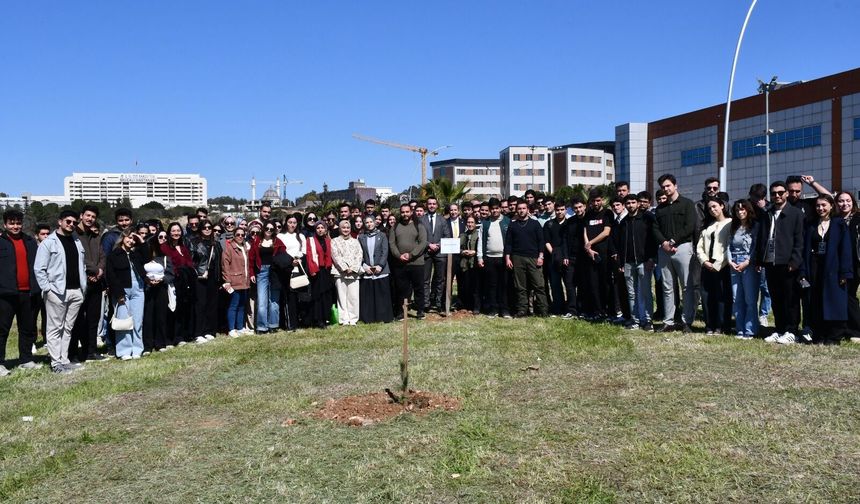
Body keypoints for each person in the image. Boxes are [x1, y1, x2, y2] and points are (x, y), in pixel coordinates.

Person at [34, 210, 88, 374]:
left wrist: (82, 288)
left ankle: (64, 360)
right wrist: (47, 289)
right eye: (68, 221)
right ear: (60, 222)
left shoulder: (76, 241)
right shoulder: (48, 242)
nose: (71, 224)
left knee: (68, 328)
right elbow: (39, 269)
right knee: (54, 328)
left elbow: (82, 265)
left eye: (73, 222)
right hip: (56, 292)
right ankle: (56, 363)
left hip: (76, 291)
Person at [799, 194, 854, 344]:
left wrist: (845, 272)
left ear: (831, 206)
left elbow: (846, 249)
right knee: (816, 300)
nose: (820, 208)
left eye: (824, 205)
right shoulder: (810, 224)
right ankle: (819, 334)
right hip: (815, 267)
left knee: (834, 301)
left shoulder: (839, 224)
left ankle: (834, 336)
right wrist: (803, 271)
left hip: (834, 268)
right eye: (818, 205)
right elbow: (805, 250)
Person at [755, 180, 805, 344]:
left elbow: (799, 239)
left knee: (790, 298)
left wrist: (795, 260)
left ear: (786, 194)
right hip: (770, 262)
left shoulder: (796, 213)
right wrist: (759, 259)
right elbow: (762, 237)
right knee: (776, 298)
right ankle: (780, 329)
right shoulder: (767, 212)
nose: (777, 195)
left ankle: (791, 331)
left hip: (788, 263)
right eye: (774, 193)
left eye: (780, 192)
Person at [653, 174, 697, 332]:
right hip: (664, 251)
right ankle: (669, 321)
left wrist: (672, 241)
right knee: (667, 287)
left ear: (675, 185)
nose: (666, 189)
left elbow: (690, 226)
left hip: (683, 248)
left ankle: (687, 321)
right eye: (663, 187)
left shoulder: (687, 204)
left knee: (686, 286)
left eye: (668, 186)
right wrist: (664, 243)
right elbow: (655, 229)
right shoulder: (659, 209)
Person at [0, 209, 42, 375]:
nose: (15, 226)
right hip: (6, 294)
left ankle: (26, 359)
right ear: (5, 224)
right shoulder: (1, 242)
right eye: (12, 223)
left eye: (18, 222)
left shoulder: (30, 241)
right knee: (2, 330)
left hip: (29, 292)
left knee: (27, 328)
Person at [613, 194, 656, 331]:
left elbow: (652, 240)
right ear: (625, 205)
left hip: (644, 261)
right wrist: (620, 263)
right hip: (628, 263)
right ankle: (635, 319)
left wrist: (651, 258)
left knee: (645, 292)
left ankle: (648, 320)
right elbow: (619, 245)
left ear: (638, 203)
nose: (631, 205)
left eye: (633, 202)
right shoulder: (623, 222)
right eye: (628, 203)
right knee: (631, 293)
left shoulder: (646, 218)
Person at [70, 205, 107, 363]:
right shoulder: (73, 234)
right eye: (88, 215)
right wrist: (94, 270)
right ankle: (73, 352)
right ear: (81, 215)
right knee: (77, 319)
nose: (90, 219)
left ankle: (91, 351)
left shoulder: (95, 235)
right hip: (80, 282)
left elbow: (102, 256)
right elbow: (79, 257)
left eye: (93, 217)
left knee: (93, 318)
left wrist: (99, 271)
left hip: (96, 282)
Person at [105, 228, 147, 359]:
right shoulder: (114, 255)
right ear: (122, 238)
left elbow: (147, 256)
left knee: (137, 321)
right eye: (129, 237)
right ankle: (124, 351)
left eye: (133, 239)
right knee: (124, 321)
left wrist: (141, 239)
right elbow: (111, 275)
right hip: (122, 291)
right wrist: (119, 294)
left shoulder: (135, 254)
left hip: (138, 289)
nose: (131, 240)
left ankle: (137, 349)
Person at [504, 200, 548, 317]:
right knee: (520, 286)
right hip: (517, 258)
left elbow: (541, 241)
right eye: (519, 209)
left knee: (539, 285)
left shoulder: (535, 223)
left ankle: (543, 310)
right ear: (517, 210)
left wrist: (541, 256)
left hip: (534, 258)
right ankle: (522, 310)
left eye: (524, 208)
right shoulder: (512, 225)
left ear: (527, 210)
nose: (521, 210)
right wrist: (508, 258)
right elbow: (508, 243)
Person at [696, 197, 732, 335]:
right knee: (706, 296)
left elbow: (729, 246)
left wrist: (718, 264)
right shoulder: (707, 226)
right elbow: (699, 247)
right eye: (710, 208)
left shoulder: (730, 223)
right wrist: (705, 261)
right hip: (707, 264)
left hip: (722, 265)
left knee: (722, 297)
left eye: (715, 206)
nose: (712, 210)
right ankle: (710, 325)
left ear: (722, 206)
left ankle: (722, 326)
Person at [389, 203, 428, 319]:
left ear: (411, 212)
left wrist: (411, 255)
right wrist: (398, 255)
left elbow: (422, 243)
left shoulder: (419, 225)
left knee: (419, 288)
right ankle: (401, 312)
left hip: (416, 263)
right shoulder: (395, 227)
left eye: (407, 212)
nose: (405, 214)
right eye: (403, 212)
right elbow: (392, 243)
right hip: (400, 263)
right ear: (400, 213)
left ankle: (420, 311)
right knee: (401, 289)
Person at [728, 199, 760, 339]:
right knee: (737, 298)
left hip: (749, 265)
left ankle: (750, 329)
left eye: (743, 209)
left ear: (748, 210)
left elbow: (756, 247)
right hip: (734, 264)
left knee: (750, 298)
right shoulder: (733, 227)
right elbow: (728, 245)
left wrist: (748, 261)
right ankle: (739, 329)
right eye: (737, 210)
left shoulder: (755, 226)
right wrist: (729, 260)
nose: (740, 212)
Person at [581, 189, 613, 320]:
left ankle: (607, 311)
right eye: (593, 201)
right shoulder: (587, 215)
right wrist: (588, 248)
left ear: (602, 200)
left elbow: (606, 232)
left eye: (598, 200)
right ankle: (597, 311)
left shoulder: (607, 213)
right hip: (590, 255)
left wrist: (591, 243)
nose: (596, 203)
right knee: (593, 284)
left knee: (604, 283)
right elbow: (585, 232)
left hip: (604, 253)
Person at [162, 222, 196, 344]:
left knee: (184, 309)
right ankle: (173, 337)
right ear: (169, 233)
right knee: (173, 310)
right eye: (173, 231)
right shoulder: (165, 247)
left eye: (178, 231)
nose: (176, 233)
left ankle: (184, 335)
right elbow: (168, 265)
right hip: (173, 282)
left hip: (185, 282)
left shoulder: (183, 247)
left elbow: (190, 263)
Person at [477, 198, 510, 318]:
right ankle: (493, 309)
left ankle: (505, 310)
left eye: (497, 208)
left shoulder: (507, 221)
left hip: (503, 258)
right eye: (493, 209)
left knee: (504, 285)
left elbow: (511, 241)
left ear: (500, 208)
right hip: (489, 258)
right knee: (492, 285)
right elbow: (481, 241)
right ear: (490, 210)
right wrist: (480, 257)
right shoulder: (485, 223)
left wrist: (509, 256)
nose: (495, 211)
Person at [358, 215, 394, 323]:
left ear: (375, 223)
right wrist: (364, 266)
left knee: (381, 296)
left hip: (381, 271)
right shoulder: (361, 237)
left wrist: (380, 265)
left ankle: (383, 317)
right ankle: (369, 318)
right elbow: (360, 254)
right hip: (368, 271)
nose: (369, 224)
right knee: (369, 297)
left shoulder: (382, 235)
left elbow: (385, 251)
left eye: (371, 222)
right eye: (367, 222)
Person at [191, 219, 221, 342]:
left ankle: (210, 330)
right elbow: (192, 260)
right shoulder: (194, 242)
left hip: (213, 276)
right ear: (200, 229)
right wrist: (198, 272)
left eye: (210, 227)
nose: (207, 229)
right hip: (200, 277)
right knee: (200, 304)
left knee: (212, 304)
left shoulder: (216, 243)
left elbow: (219, 262)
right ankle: (199, 332)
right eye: (205, 227)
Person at [143, 233, 174, 352]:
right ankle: (147, 345)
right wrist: (148, 281)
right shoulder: (143, 259)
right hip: (147, 289)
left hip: (161, 289)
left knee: (161, 316)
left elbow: (171, 274)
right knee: (148, 317)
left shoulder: (165, 258)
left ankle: (160, 343)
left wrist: (161, 279)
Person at [249, 222, 281, 333]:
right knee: (262, 301)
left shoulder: (277, 241)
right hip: (261, 271)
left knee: (274, 300)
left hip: (274, 272)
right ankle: (262, 326)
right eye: (267, 228)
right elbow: (251, 258)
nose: (269, 230)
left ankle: (273, 325)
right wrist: (252, 273)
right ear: (263, 229)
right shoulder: (257, 241)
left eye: (271, 229)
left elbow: (283, 254)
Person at [222, 227, 254, 338]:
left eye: (242, 235)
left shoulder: (245, 246)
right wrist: (227, 281)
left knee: (242, 305)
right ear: (234, 235)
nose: (240, 236)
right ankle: (231, 329)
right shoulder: (229, 248)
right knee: (233, 305)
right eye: (238, 234)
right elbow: (225, 265)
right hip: (234, 281)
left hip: (244, 281)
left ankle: (240, 328)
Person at [422, 196, 452, 312]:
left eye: (434, 203)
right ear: (426, 205)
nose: (432, 205)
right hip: (427, 252)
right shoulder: (421, 219)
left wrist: (438, 245)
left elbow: (447, 235)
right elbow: (419, 237)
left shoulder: (442, 220)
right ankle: (426, 303)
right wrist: (429, 245)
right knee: (425, 279)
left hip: (440, 253)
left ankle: (438, 303)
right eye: (430, 203)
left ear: (437, 205)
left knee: (440, 279)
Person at [276, 214, 305, 330]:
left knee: (298, 296)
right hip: (286, 269)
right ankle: (289, 324)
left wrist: (298, 258)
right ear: (286, 223)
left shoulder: (301, 236)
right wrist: (290, 261)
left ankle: (298, 321)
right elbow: (280, 252)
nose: (292, 224)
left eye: (294, 222)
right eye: (290, 222)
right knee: (288, 297)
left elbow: (303, 250)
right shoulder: (280, 236)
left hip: (299, 267)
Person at [331, 220, 363, 325]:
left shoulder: (355, 241)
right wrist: (344, 268)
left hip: (354, 273)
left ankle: (353, 319)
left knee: (353, 297)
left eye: (348, 228)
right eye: (343, 228)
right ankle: (344, 319)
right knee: (342, 296)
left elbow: (359, 255)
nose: (346, 230)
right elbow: (335, 256)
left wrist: (353, 268)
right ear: (339, 229)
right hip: (340, 273)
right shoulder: (334, 241)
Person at [306, 221, 334, 328]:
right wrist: (312, 270)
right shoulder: (311, 240)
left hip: (326, 271)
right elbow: (309, 255)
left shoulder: (328, 240)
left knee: (326, 295)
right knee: (317, 296)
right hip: (316, 271)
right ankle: (317, 319)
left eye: (322, 227)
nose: (320, 230)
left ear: (325, 229)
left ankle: (325, 317)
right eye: (318, 228)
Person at [543, 200, 569, 316]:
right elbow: (546, 241)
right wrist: (555, 254)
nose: (559, 212)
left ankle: (569, 308)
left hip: (567, 257)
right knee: (555, 284)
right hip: (553, 257)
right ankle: (557, 308)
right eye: (557, 210)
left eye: (562, 210)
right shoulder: (549, 224)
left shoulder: (569, 223)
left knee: (569, 285)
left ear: (566, 210)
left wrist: (564, 256)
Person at [458, 215, 481, 314]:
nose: (470, 224)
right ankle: (466, 305)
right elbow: (456, 248)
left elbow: (481, 247)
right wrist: (463, 252)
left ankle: (476, 306)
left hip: (475, 263)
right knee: (465, 285)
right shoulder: (463, 235)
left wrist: (475, 252)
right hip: (465, 264)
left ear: (475, 223)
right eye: (468, 222)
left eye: (472, 222)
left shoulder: (479, 234)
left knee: (476, 286)